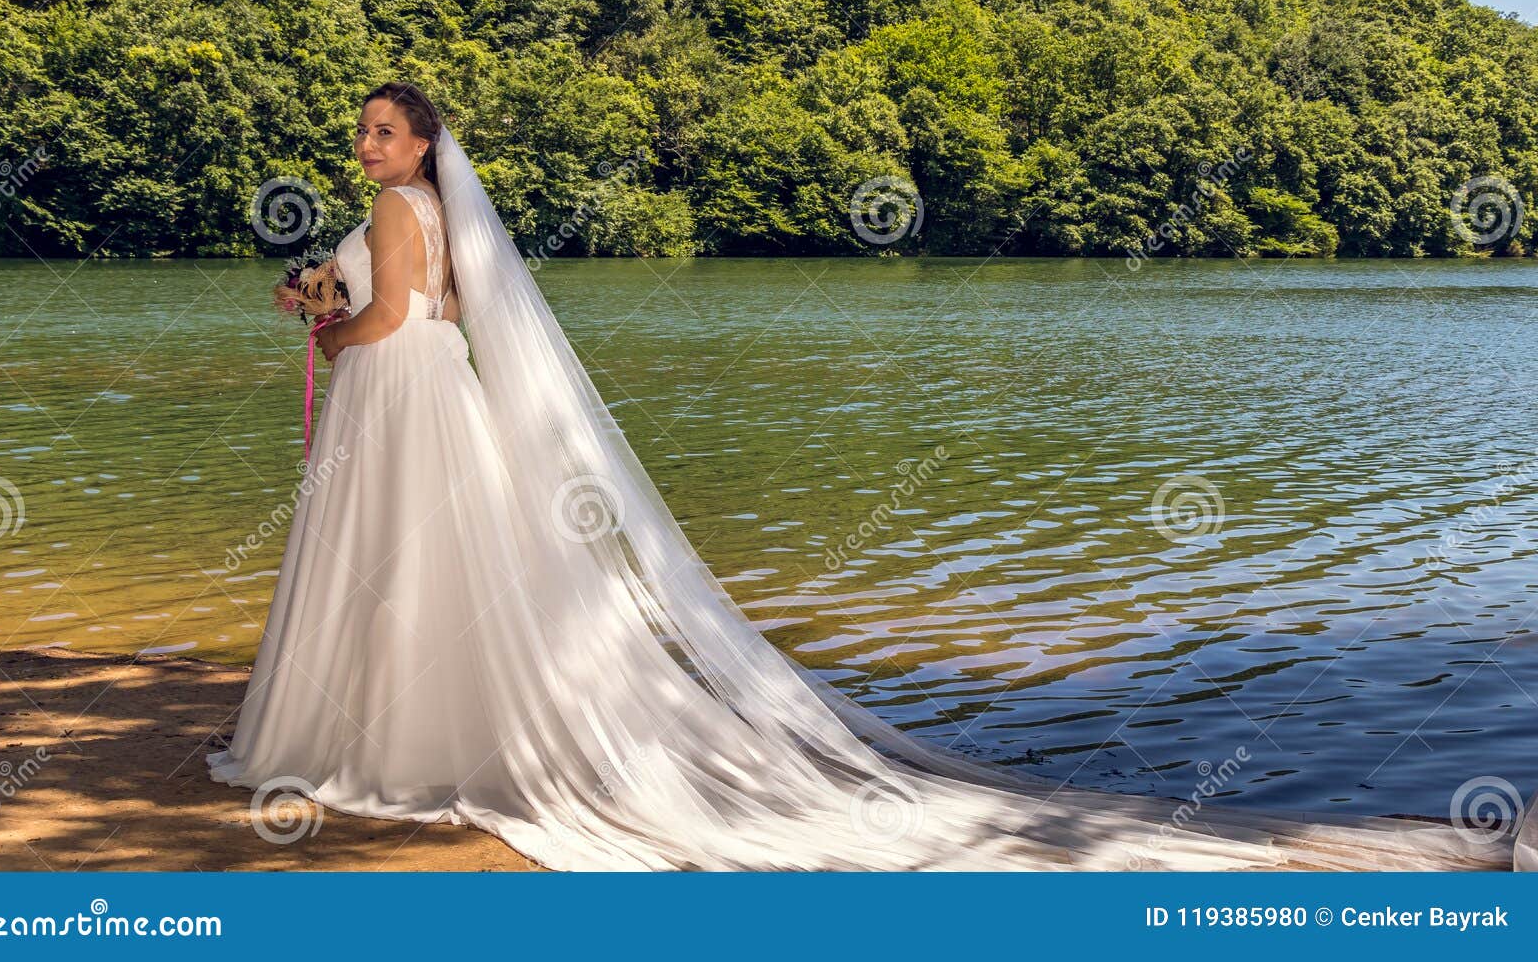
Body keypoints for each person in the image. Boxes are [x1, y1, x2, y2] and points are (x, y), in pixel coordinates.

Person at [207, 81, 1515, 871]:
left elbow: (388, 319)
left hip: (401, 386)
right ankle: (413, 727)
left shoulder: (394, 212)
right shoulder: (431, 212)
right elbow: (430, 307)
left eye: (383, 132)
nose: (368, 144)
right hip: (444, 395)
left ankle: (375, 736)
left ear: (420, 148)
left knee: (390, 569)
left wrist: (322, 320)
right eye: (368, 132)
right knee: (433, 569)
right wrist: (333, 304)